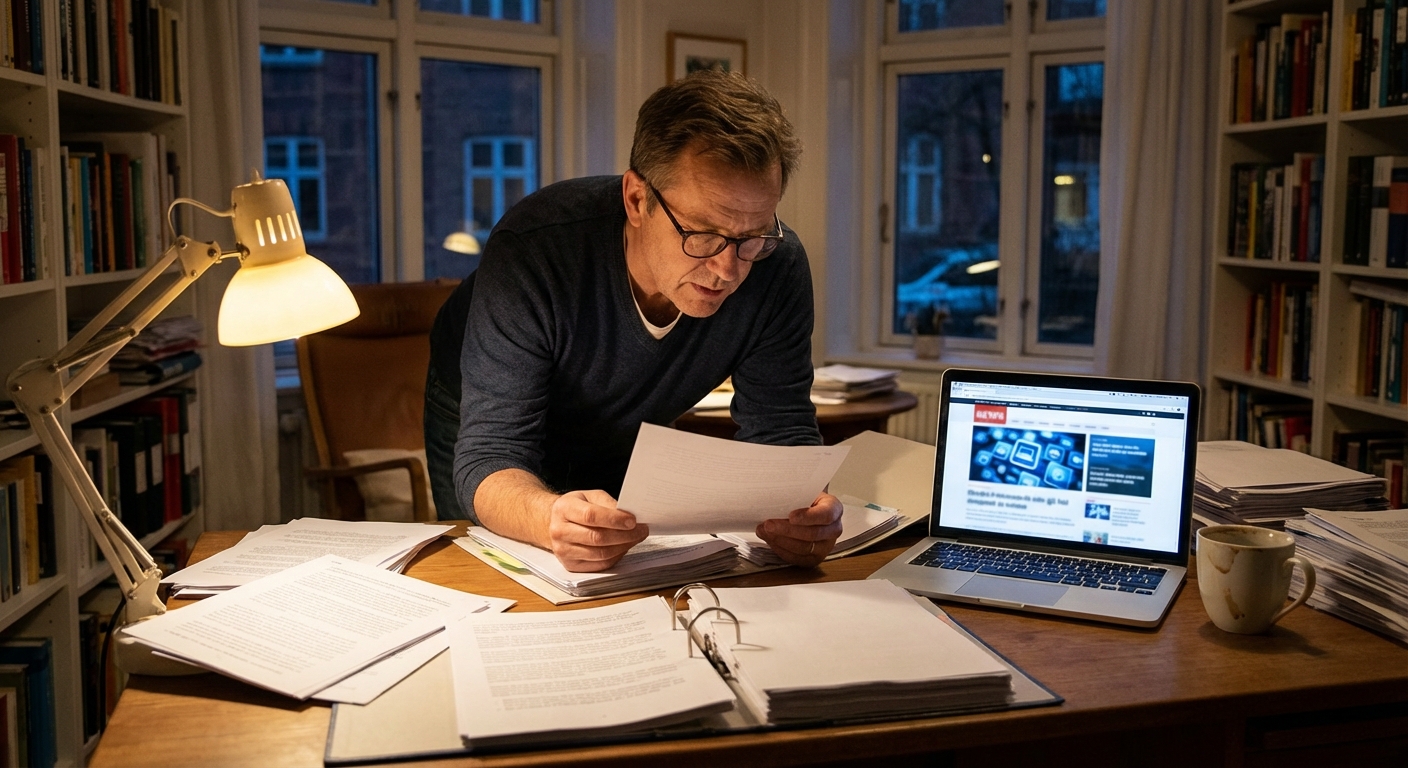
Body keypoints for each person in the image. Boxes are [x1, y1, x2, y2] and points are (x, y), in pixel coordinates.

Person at [425, 70, 842, 572]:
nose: (729, 270)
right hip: (481, 409)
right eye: (704, 234)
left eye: (753, 235)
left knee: (612, 561)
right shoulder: (535, 250)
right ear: (637, 200)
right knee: (499, 572)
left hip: (625, 414)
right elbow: (491, 453)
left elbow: (782, 430)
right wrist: (546, 516)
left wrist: (806, 511)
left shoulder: (776, 266)